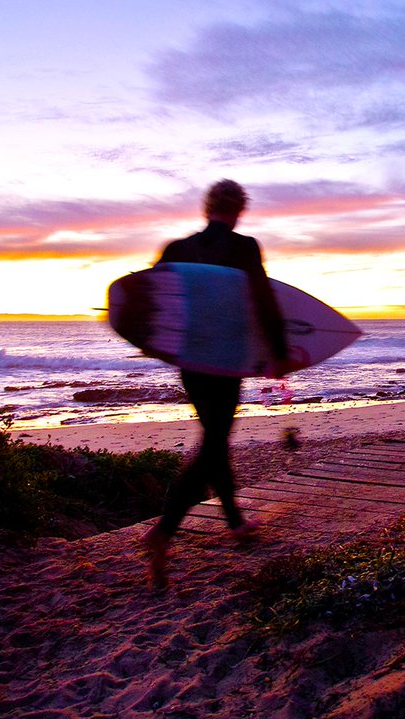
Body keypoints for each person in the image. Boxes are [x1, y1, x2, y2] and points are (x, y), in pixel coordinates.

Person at [140, 180, 289, 590]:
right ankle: (164, 532)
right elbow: (263, 300)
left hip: (190, 360)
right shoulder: (244, 248)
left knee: (215, 437)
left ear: (206, 209)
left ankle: (235, 523)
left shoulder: (177, 250)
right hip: (226, 359)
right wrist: (278, 353)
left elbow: (156, 300)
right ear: (240, 209)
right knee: (214, 442)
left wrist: (157, 346)